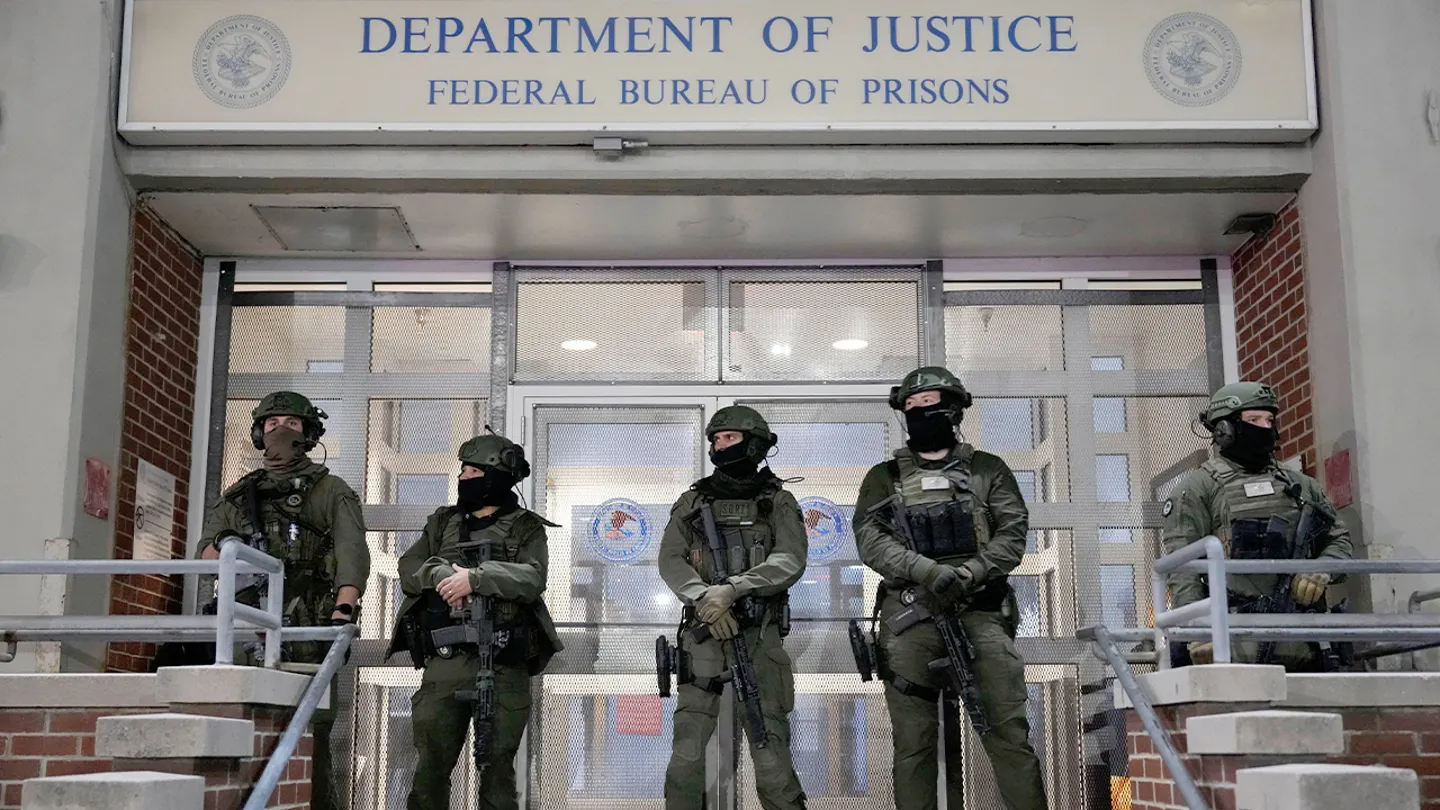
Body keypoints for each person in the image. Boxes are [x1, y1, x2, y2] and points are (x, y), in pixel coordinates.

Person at [854, 366, 1048, 810]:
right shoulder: (883, 477)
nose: (920, 411)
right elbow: (870, 540)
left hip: (978, 615)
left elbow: (1012, 534)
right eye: (912, 405)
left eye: (930, 403)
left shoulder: (987, 470)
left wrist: (969, 573)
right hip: (910, 620)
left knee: (1008, 735)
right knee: (913, 744)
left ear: (955, 409)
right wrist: (925, 570)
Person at [196, 390, 370, 810]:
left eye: (291, 425)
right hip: (248, 625)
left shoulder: (330, 491)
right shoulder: (239, 497)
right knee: (244, 728)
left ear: (308, 434)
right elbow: (205, 556)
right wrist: (234, 547)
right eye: (272, 425)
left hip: (308, 626)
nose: (280, 432)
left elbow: (352, 555)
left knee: (311, 737)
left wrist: (342, 612)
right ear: (259, 434)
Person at [390, 432, 562, 810]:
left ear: (497, 477)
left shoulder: (526, 527)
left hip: (503, 664)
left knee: (498, 772)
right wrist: (440, 575)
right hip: (446, 663)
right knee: (430, 770)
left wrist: (476, 578)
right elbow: (409, 569)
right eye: (463, 470)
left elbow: (533, 578)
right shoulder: (443, 522)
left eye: (474, 471)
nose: (463, 477)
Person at [657, 405, 808, 810]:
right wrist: (707, 600)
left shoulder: (778, 501)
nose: (720, 446)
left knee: (770, 751)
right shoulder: (691, 501)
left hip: (758, 637)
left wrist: (733, 590)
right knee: (687, 754)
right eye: (716, 439)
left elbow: (790, 559)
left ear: (754, 445)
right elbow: (671, 559)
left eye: (730, 438)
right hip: (704, 637)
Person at [1163, 381, 1354, 670]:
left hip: (1306, 643)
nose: (1265, 427)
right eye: (1254, 420)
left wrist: (1321, 570)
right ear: (1224, 429)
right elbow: (1183, 569)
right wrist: (1198, 631)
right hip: (1233, 645)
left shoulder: (1301, 486)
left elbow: (1338, 540)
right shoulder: (1197, 489)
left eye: (1269, 420)